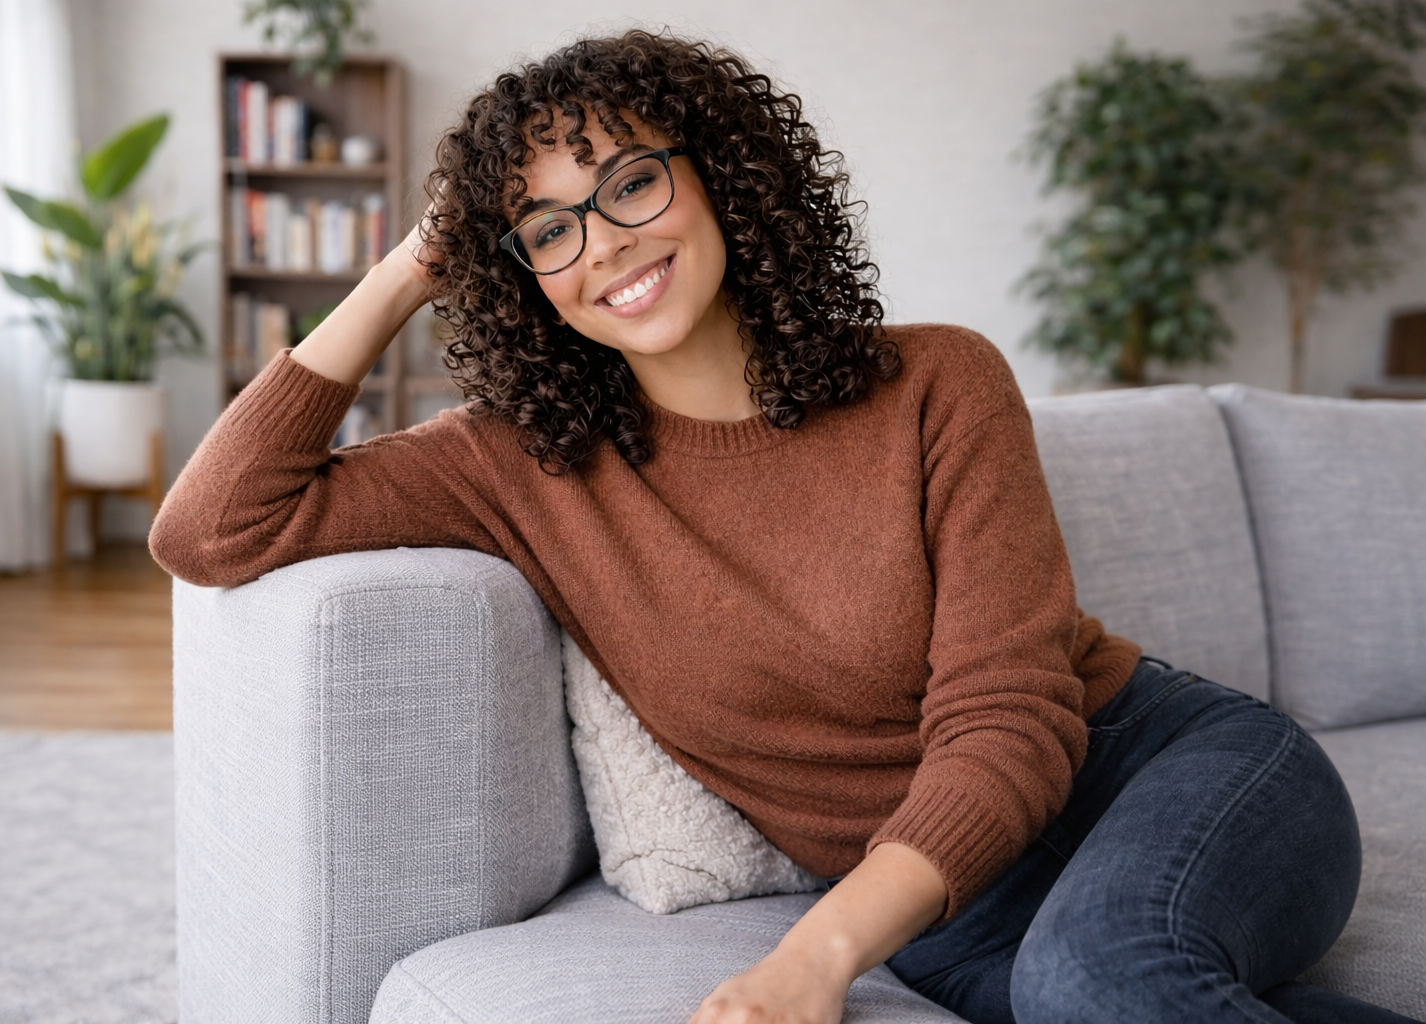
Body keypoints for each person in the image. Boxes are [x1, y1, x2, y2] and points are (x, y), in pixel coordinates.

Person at [149, 30, 1417, 1024]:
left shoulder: (939, 382)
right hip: (958, 918)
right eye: (548, 228)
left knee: (1094, 986)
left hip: (1167, 772)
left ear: (720, 172)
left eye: (630, 182)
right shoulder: (520, 464)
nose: (605, 245)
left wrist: (813, 960)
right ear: (518, 272)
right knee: (1113, 994)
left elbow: (1010, 718)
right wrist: (410, 266)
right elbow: (212, 527)